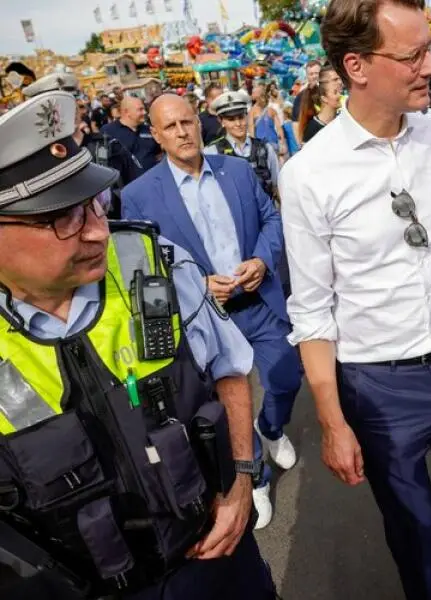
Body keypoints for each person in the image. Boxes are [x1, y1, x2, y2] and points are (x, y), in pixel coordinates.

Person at [0, 90, 276, 599]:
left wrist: (240, 483)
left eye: (96, 205)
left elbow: (229, 370)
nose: (97, 232)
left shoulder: (156, 263)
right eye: (64, 217)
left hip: (216, 558)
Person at [279, 0, 431, 597]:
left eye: (430, 49)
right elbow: (311, 310)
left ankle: (420, 527)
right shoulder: (309, 174)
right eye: (414, 55)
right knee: (416, 552)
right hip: (377, 387)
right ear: (356, 65)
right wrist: (332, 420)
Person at [121, 94, 303, 531]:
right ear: (156, 135)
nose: (182, 132)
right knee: (227, 402)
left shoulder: (236, 171)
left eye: (187, 122)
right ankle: (254, 474)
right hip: (205, 317)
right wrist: (197, 285)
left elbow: (272, 219)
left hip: (258, 303)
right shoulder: (139, 195)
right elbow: (139, 268)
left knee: (286, 377)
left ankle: (272, 428)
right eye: (170, 127)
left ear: (200, 125)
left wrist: (260, 260)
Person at [22, 72, 140, 219]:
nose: (67, 113)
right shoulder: (33, 159)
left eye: (72, 106)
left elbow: (137, 190)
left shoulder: (109, 147)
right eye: (56, 109)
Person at [205, 90, 281, 201]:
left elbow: (276, 186)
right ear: (221, 121)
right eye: (231, 119)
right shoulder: (212, 153)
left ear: (247, 116)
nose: (238, 124)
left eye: (241, 117)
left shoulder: (265, 148)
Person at [101, 96, 162, 174]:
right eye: (140, 109)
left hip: (154, 180)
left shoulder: (148, 129)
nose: (145, 112)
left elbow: (158, 155)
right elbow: (103, 161)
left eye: (144, 109)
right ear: (127, 112)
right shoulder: (108, 131)